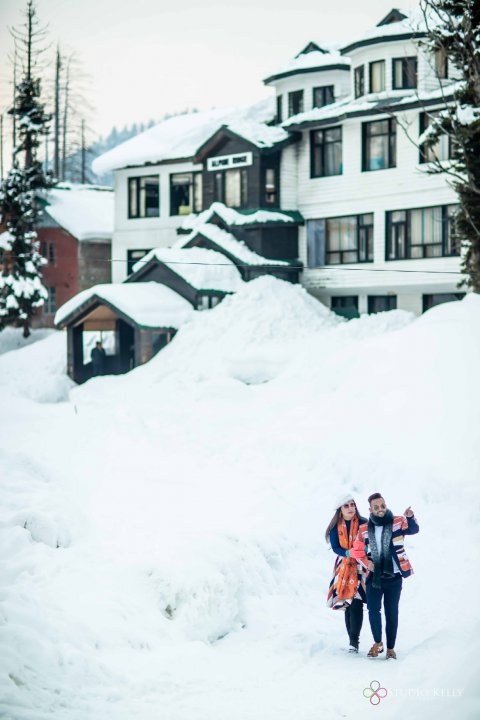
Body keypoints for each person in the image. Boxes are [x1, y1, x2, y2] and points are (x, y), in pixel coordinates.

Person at [355, 493, 419, 660]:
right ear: (370, 509)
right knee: (373, 611)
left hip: (394, 577)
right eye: (376, 507)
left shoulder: (398, 521)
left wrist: (410, 517)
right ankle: (378, 642)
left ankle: (390, 648)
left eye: (382, 505)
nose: (380, 509)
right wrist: (366, 563)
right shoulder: (363, 529)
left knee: (392, 612)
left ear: (386, 505)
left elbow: (413, 530)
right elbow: (357, 551)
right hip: (374, 578)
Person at [326, 494, 367, 653]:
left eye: (352, 505)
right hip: (344, 567)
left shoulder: (364, 523)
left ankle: (354, 641)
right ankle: (352, 640)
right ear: (340, 510)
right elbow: (336, 548)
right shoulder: (335, 528)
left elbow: (371, 542)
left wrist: (362, 551)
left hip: (361, 567)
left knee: (356, 602)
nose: (351, 508)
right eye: (346, 506)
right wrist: (349, 553)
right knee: (347, 603)